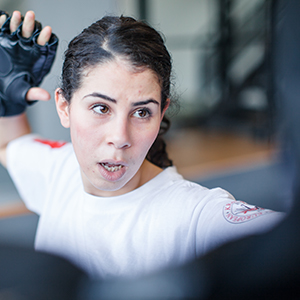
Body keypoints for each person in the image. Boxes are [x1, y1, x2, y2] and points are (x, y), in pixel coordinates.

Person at [0, 10, 285, 280]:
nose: (121, 137)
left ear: (161, 113)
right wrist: (9, 98)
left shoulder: (193, 214)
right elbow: (10, 144)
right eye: (101, 108)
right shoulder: (59, 169)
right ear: (64, 107)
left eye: (141, 112)